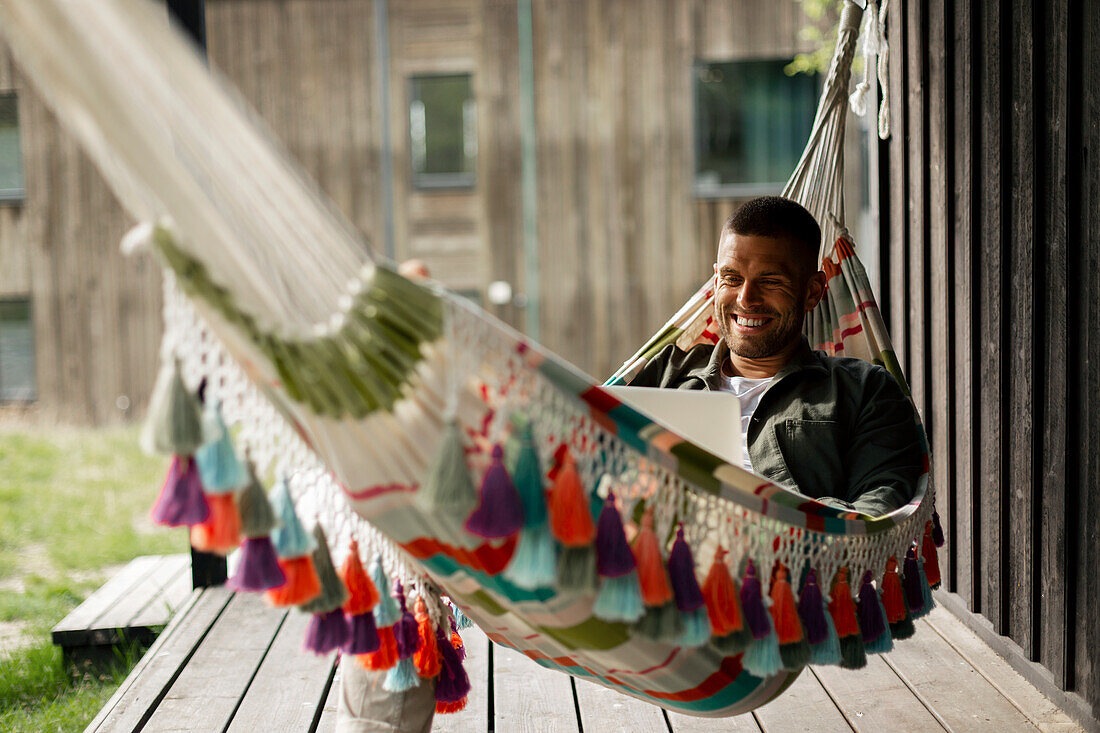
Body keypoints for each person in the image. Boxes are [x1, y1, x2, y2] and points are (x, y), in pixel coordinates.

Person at [630, 196, 922, 516]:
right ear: (716, 280)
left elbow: (880, 498)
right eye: (731, 278)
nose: (746, 299)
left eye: (770, 282)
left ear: (812, 292)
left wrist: (782, 526)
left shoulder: (863, 389)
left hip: (795, 558)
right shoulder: (664, 373)